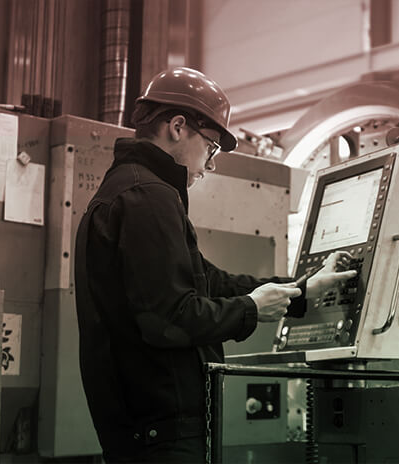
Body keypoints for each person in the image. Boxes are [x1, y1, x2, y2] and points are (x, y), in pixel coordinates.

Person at [74, 67, 356, 463]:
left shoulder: (128, 190)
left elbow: (211, 281)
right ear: (177, 127)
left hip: (144, 429)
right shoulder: (148, 197)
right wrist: (253, 310)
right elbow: (171, 317)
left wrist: (302, 290)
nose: (210, 164)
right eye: (210, 147)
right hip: (162, 433)